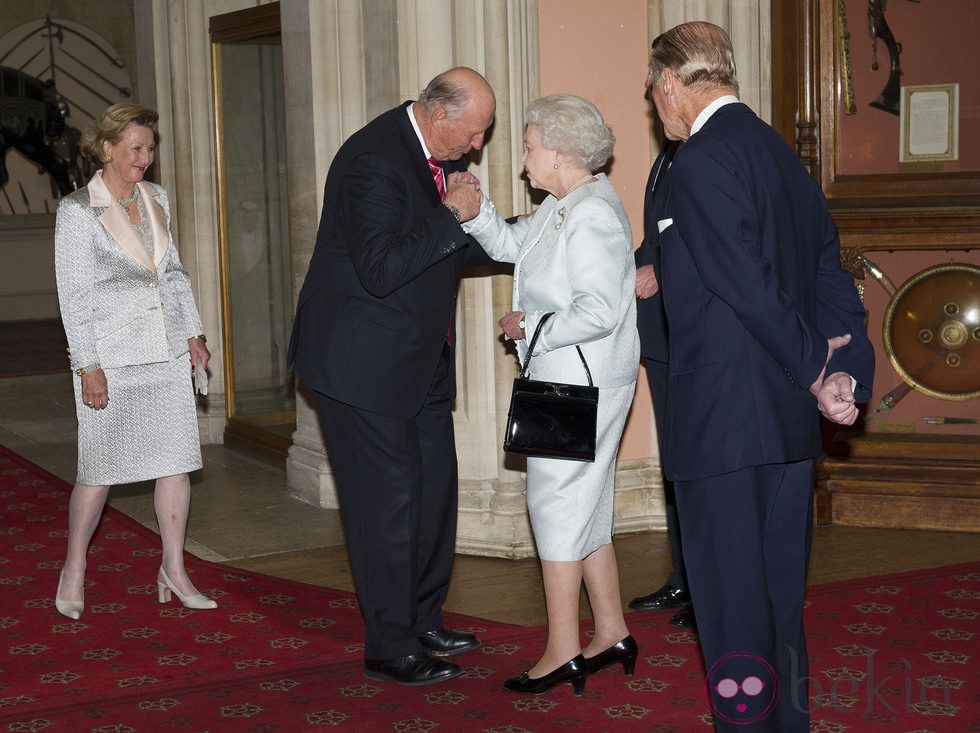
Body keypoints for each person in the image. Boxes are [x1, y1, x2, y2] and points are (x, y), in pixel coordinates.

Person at [646, 23, 875, 731]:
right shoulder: (784, 157)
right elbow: (827, 277)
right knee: (775, 601)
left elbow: (744, 284)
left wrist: (815, 370)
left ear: (671, 84)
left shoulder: (701, 159)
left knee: (731, 609)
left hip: (723, 419)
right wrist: (845, 371)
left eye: (654, 95)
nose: (657, 111)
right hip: (781, 420)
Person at [289, 67, 494, 687]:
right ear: (439, 117)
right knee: (386, 505)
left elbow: (440, 245)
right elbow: (382, 268)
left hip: (417, 357)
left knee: (432, 492)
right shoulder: (374, 160)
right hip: (362, 363)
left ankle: (423, 619)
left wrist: (528, 240)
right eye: (475, 132)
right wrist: (454, 214)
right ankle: (389, 645)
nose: (478, 146)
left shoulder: (427, 150)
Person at [459, 94, 640, 697]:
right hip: (568, 380)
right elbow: (514, 246)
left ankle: (564, 648)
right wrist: (476, 211)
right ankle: (610, 629)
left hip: (578, 383)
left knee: (556, 509)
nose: (524, 159)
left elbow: (602, 310)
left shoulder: (589, 214)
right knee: (585, 506)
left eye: (531, 146)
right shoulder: (566, 204)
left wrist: (529, 326)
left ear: (560, 154)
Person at [53, 103, 216, 620]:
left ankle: (174, 567)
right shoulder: (78, 210)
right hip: (113, 360)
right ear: (106, 149)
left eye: (150, 148)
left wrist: (192, 332)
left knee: (175, 464)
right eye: (136, 148)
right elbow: (74, 298)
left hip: (165, 352)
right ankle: (74, 567)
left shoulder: (156, 198)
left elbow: (172, 273)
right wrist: (87, 366)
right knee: (98, 469)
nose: (146, 157)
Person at [629, 134, 695, 629]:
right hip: (663, 335)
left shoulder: (711, 150)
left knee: (698, 465)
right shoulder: (670, 151)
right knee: (677, 462)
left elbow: (718, 237)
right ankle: (684, 575)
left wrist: (664, 272)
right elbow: (658, 236)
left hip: (693, 336)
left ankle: (704, 583)